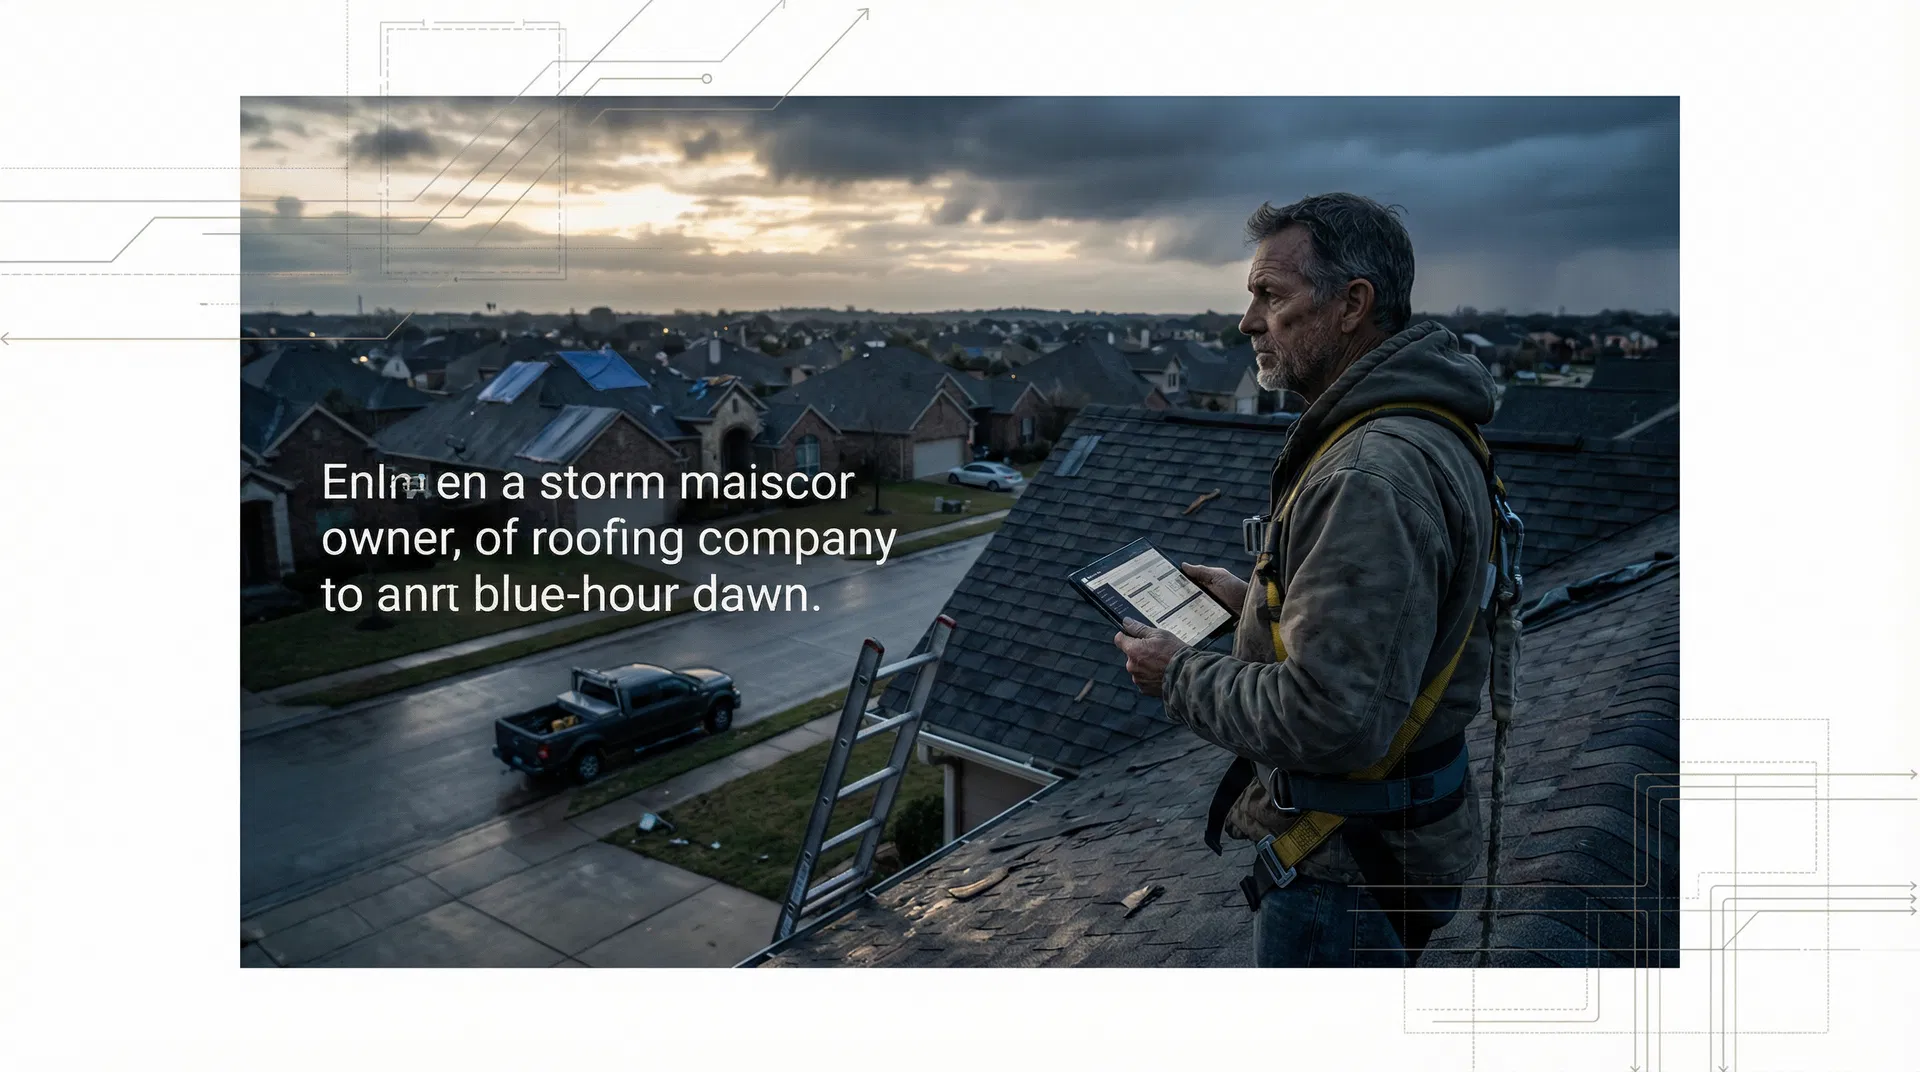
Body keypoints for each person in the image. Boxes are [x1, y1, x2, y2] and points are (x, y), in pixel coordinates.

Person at [1112, 193, 1501, 967]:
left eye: (1271, 296)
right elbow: (1386, 638)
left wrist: (1177, 672)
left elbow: (1331, 720)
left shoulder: (1369, 473)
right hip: (1382, 856)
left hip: (1342, 877)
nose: (1248, 322)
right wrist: (1252, 604)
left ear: (1352, 304)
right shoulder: (1423, 427)